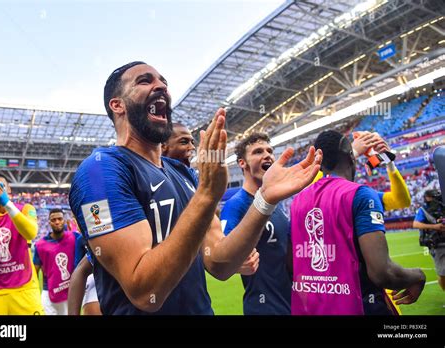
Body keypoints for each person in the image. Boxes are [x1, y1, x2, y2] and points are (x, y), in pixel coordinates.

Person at [69, 61, 322, 315]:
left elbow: (220, 263)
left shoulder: (184, 175)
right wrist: (207, 194)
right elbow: (145, 292)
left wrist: (264, 199)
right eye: (145, 81)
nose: (161, 87)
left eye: (163, 82)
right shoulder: (99, 172)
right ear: (117, 105)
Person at [288, 130, 425, 315]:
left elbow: (401, 201)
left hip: (315, 308)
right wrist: (418, 275)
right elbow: (381, 273)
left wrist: (389, 163)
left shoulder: (298, 201)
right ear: (352, 156)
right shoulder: (359, 194)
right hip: (359, 306)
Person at [221, 132, 290, 314]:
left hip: (292, 305)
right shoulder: (235, 205)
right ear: (242, 163)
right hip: (264, 308)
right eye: (258, 152)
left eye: (269, 150)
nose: (267, 155)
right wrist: (236, 263)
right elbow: (221, 254)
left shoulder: (277, 201)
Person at [0, 176, 44, 315]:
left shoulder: (26, 209)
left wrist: (7, 204)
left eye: (1, 186)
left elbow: (31, 233)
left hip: (25, 288)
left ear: (8, 189)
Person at [33, 208, 85, 315]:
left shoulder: (75, 238)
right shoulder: (40, 245)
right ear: (49, 222)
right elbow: (35, 271)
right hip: (48, 292)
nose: (57, 222)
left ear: (64, 220)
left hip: (70, 291)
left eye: (60, 219)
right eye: (53, 220)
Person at [413, 189, 445, 291]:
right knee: (443, 272)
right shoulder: (424, 209)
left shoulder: (442, 206)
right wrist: (435, 226)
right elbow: (416, 224)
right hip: (437, 243)